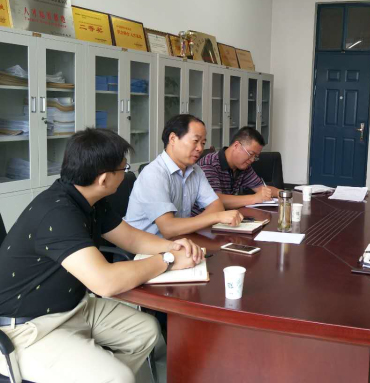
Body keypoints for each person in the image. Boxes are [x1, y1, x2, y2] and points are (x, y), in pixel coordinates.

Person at [0, 128, 204, 382]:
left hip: (73, 306)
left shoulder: (89, 199)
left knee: (146, 332)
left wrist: (171, 247)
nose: (126, 173)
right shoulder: (57, 213)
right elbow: (105, 282)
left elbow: (130, 238)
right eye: (124, 168)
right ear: (105, 179)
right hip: (28, 328)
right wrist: (168, 261)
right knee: (117, 377)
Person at [125, 114, 243, 238]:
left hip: (179, 240)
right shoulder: (154, 174)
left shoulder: (196, 170)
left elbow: (216, 206)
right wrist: (215, 217)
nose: (200, 148)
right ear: (173, 139)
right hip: (145, 246)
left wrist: (186, 225)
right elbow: (168, 228)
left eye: (203, 143)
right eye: (195, 141)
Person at [195, 126, 280, 211]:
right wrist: (254, 198)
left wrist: (281, 193)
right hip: (204, 217)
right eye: (251, 154)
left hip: (226, 215)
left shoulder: (243, 166)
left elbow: (261, 188)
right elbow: (214, 201)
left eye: (255, 157)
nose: (252, 160)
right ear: (236, 145)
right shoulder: (209, 164)